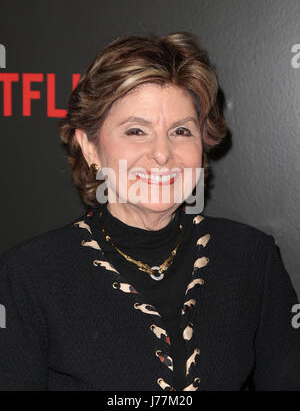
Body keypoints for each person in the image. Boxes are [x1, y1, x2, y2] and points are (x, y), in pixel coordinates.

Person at [0, 31, 300, 391]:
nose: (161, 154)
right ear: (90, 147)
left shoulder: (252, 258)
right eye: (136, 130)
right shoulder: (30, 275)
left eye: (181, 131)